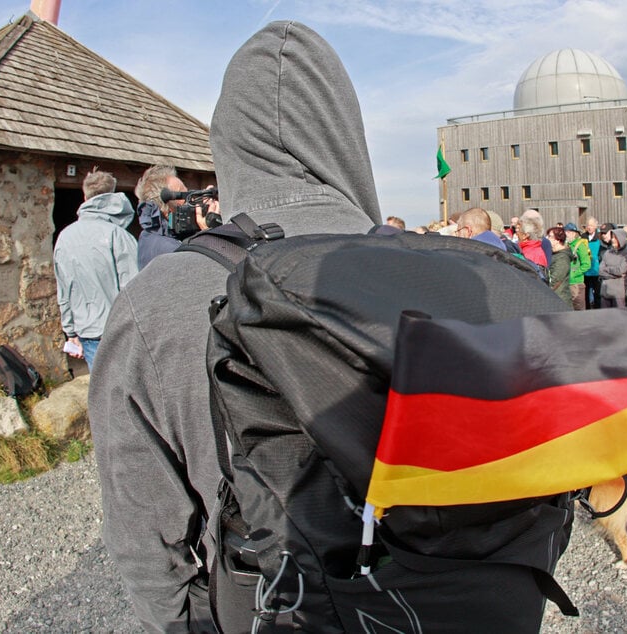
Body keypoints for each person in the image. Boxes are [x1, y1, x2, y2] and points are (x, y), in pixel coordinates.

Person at [87, 21, 382, 632]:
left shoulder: (157, 303)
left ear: (227, 142)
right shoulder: (446, 277)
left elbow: (147, 543)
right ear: (346, 133)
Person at [53, 168, 138, 371]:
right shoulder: (118, 235)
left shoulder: (64, 237)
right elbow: (134, 288)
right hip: (120, 332)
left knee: (100, 393)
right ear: (114, 194)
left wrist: (70, 332)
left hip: (87, 331)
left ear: (85, 196)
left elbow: (63, 290)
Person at [134, 165, 219, 269]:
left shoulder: (149, 236)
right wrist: (210, 234)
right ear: (166, 211)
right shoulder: (171, 250)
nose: (191, 203)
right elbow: (211, 272)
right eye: (184, 197)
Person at [597, 228, 627, 308]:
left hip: (618, 293)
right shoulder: (608, 252)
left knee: (619, 318)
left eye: (615, 237)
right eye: (612, 237)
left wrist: (607, 269)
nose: (613, 240)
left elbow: (621, 270)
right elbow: (600, 270)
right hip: (605, 292)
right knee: (605, 318)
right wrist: (614, 274)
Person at [564, 222, 592, 310]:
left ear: (573, 233)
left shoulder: (580, 245)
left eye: (567, 232)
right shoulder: (567, 245)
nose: (566, 235)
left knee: (579, 310)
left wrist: (574, 274)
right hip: (567, 283)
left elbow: (587, 264)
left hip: (576, 284)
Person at [546, 226, 572, 305]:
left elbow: (555, 279)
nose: (547, 239)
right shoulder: (553, 254)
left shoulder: (562, 258)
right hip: (554, 297)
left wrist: (544, 290)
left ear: (557, 240)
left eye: (550, 236)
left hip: (560, 298)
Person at [583, 217, 602, 308]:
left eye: (591, 225)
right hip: (586, 269)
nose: (589, 227)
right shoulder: (583, 237)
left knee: (597, 292)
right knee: (585, 293)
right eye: (588, 225)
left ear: (595, 226)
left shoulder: (599, 237)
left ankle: (597, 309)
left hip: (596, 269)